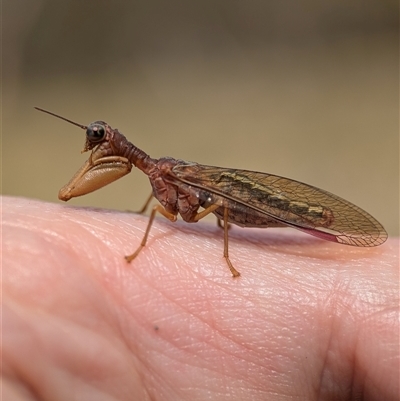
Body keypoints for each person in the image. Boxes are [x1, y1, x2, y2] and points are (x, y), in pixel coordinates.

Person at [2, 196, 399, 400]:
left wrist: (227, 258)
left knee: (222, 205)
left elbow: (202, 209)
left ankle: (307, 218)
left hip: (238, 203)